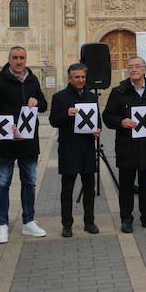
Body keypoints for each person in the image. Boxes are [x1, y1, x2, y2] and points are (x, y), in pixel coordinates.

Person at [0, 46, 48, 243]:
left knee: (29, 182)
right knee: (2, 183)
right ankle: (2, 224)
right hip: (7, 141)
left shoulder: (32, 79)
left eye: (22, 57)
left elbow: (44, 104)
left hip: (29, 141)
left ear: (26, 59)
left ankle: (29, 221)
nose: (19, 61)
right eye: (15, 58)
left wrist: (36, 101)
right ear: (9, 59)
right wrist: (7, 130)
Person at [102, 56, 146, 233]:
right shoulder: (118, 91)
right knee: (126, 187)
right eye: (130, 67)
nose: (134, 69)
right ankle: (126, 218)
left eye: (138, 66)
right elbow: (107, 116)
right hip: (126, 147)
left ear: (145, 69)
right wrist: (121, 121)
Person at [50, 64, 100, 237]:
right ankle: (67, 224)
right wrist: (66, 114)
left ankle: (89, 221)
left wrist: (97, 130)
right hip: (68, 149)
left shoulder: (92, 97)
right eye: (77, 77)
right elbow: (53, 120)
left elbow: (97, 121)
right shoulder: (59, 97)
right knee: (67, 190)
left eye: (83, 77)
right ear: (70, 79)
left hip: (87, 148)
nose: (80, 80)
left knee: (89, 188)